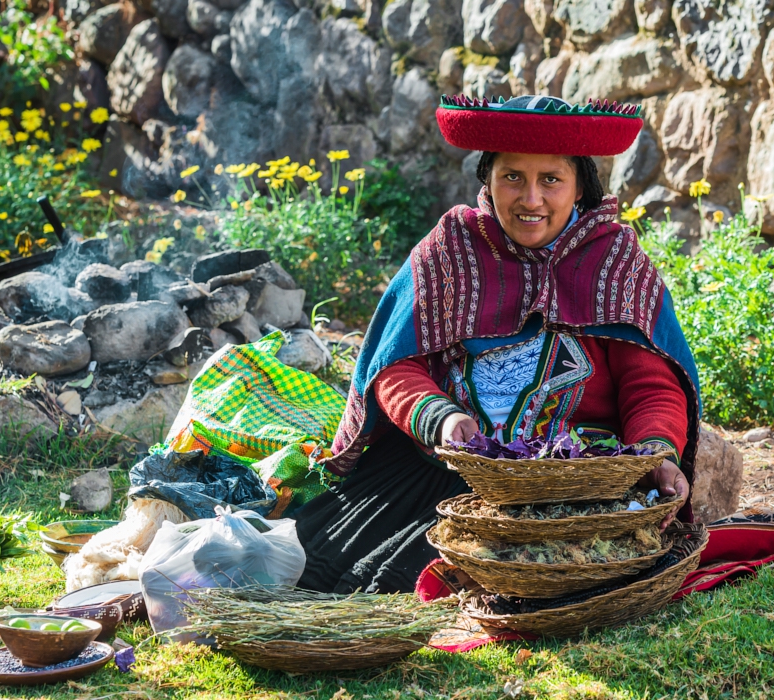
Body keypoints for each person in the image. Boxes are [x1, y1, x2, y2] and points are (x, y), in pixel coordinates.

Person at [296, 95, 701, 595]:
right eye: (513, 177)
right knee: (322, 568)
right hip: (441, 477)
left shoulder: (613, 264)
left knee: (425, 583)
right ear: (488, 179)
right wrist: (440, 417)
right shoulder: (450, 250)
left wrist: (656, 454)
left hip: (571, 491)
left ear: (581, 188)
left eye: (551, 180)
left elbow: (651, 385)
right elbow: (395, 366)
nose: (531, 199)